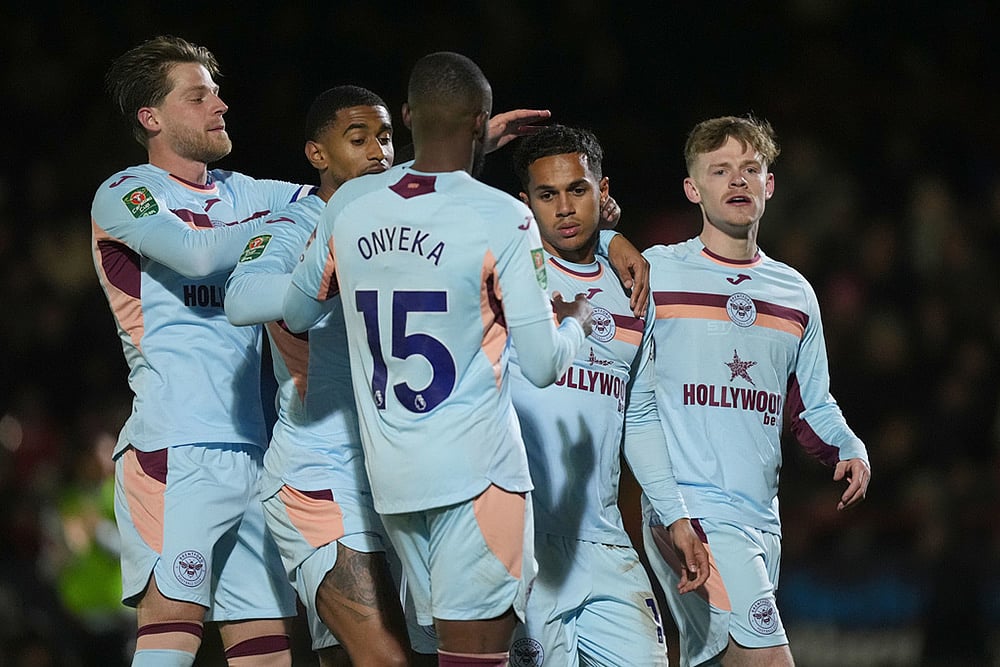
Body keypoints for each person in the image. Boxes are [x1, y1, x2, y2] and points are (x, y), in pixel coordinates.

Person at [225, 85, 559, 666]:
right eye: (358, 140)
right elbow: (240, 297)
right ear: (317, 154)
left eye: (384, 137)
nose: (378, 152)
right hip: (316, 472)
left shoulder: (383, 214)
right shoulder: (294, 223)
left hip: (393, 475)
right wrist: (328, 284)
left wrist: (466, 144)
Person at [91, 35, 313, 666]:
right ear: (151, 118)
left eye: (217, 92)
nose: (220, 106)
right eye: (199, 95)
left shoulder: (243, 191)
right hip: (174, 449)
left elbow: (342, 199)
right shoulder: (126, 191)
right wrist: (282, 225)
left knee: (268, 650)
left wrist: (450, 151)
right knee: (171, 638)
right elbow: (195, 253)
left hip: (257, 451)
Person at [641, 115, 872, 666]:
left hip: (759, 519)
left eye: (750, 169)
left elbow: (811, 404)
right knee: (770, 660)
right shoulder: (657, 272)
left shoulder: (794, 292)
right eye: (720, 171)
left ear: (769, 185)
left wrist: (849, 446)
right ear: (693, 189)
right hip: (688, 512)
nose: (737, 181)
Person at [507, 124, 710, 666]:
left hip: (604, 543)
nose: (565, 208)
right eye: (547, 195)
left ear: (604, 193)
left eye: (578, 190)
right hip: (519, 543)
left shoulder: (631, 289)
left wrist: (676, 516)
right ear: (524, 205)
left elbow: (637, 415)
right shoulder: (504, 278)